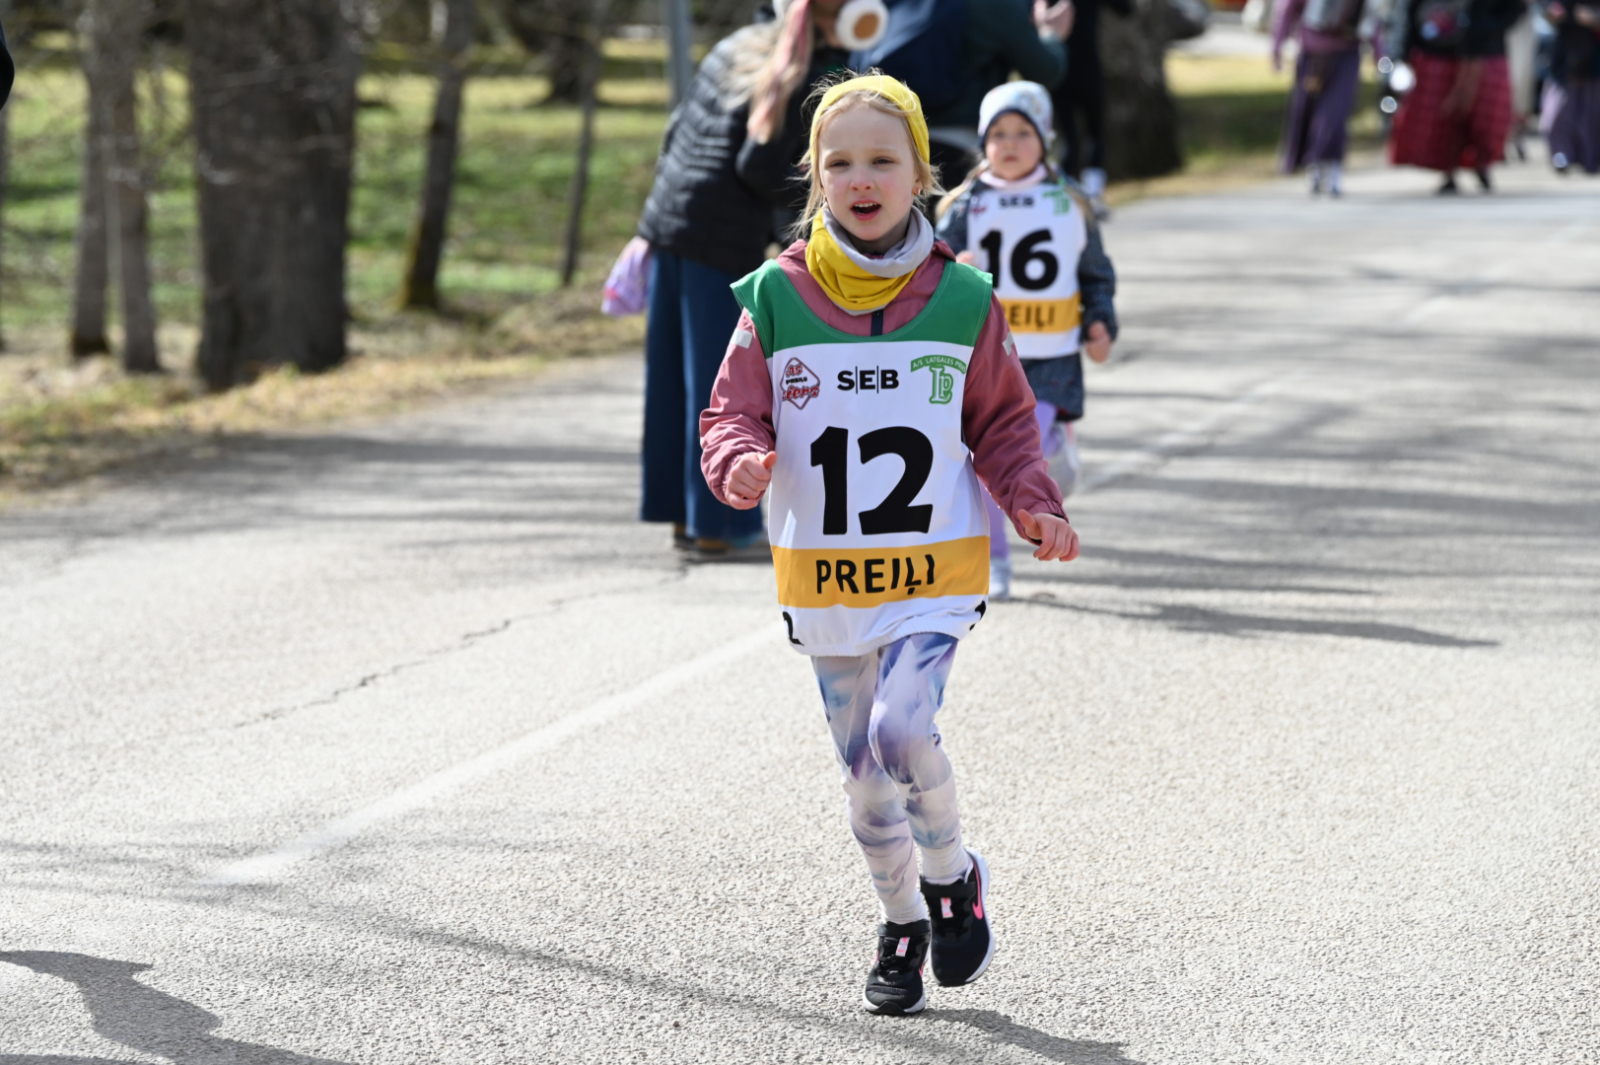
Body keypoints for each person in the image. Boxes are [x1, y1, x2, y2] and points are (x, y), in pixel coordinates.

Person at [699, 74, 1078, 1015]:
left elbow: (1003, 424)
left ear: (921, 174)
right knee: (868, 789)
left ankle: (952, 875)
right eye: (840, 162)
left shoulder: (962, 298)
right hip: (826, 581)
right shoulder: (774, 299)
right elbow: (729, 413)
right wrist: (740, 458)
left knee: (902, 729)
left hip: (931, 574)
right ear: (816, 176)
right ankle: (903, 918)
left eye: (883, 160)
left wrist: (1032, 502)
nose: (861, 178)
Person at [635, 2, 848, 557]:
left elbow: (678, 127)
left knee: (676, 383)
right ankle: (718, 524)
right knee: (718, 383)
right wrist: (807, 241)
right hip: (722, 235)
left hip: (673, 218)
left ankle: (681, 514)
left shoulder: (744, 42)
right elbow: (759, 165)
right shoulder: (808, 66)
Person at [934, 82, 1116, 600]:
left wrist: (1101, 322)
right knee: (985, 460)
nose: (1009, 144)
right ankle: (995, 562)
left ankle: (1056, 443)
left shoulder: (1071, 202)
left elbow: (1096, 273)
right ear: (981, 141)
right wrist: (954, 271)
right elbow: (933, 272)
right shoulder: (964, 205)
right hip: (988, 357)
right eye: (998, 134)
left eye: (1022, 133)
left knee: (1030, 443)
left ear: (1046, 138)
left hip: (1052, 354)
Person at [921, 0, 1078, 187]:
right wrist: (1051, 34)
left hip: (899, 144)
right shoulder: (995, 5)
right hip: (962, 148)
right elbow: (1046, 71)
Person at [1387, 0, 1526, 191]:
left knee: (1486, 118)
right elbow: (1412, 11)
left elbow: (1514, 9)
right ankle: (1449, 171)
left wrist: (1488, 27)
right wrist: (1404, 54)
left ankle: (1482, 164)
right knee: (1444, 119)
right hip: (1439, 51)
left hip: (1485, 52)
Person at [1274, 0, 1368, 195]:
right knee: (1309, 113)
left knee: (1335, 115)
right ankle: (1313, 165)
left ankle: (1333, 168)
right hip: (1313, 57)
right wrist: (1277, 47)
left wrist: (1383, 54)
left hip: (1347, 56)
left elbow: (1371, 18)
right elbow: (1286, 11)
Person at [1052, 0, 1132, 214]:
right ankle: (1090, 197)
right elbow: (1126, 9)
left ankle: (1067, 198)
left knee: (1070, 138)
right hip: (1085, 69)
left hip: (1060, 71)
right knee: (1091, 135)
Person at [1541, 0, 1600, 172]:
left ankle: (1590, 159)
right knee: (1558, 110)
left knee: (1591, 113)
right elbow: (1545, 9)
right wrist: (1552, 13)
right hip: (1566, 55)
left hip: (1593, 58)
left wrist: (1595, 18)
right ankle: (1561, 154)